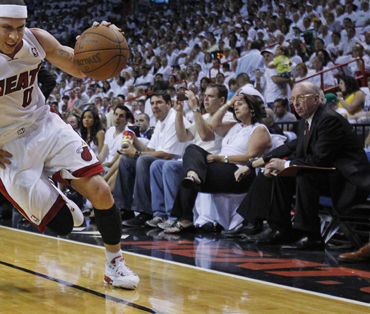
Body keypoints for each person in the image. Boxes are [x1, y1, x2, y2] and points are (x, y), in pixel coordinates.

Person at [0, 0, 139, 290]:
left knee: (100, 191)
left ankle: (114, 264)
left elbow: (81, 67)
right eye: (7, 27)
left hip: (44, 125)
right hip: (2, 147)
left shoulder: (37, 39)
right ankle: (58, 194)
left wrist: (103, 40)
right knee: (65, 225)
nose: (15, 35)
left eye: (20, 27)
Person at [227, 82, 370, 249]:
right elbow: (291, 147)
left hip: (348, 181)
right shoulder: (306, 121)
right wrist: (259, 163)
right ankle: (279, 228)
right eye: (293, 99)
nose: (295, 103)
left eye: (300, 98)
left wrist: (285, 164)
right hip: (328, 175)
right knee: (277, 174)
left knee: (304, 174)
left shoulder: (329, 120)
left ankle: (311, 235)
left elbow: (319, 160)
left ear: (316, 99)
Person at [164, 92, 272, 233]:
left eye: (240, 104)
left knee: (189, 168)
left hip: (240, 172)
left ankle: (185, 219)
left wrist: (223, 158)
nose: (236, 107)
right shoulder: (235, 126)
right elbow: (212, 126)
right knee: (192, 149)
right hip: (222, 167)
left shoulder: (259, 129)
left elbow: (251, 157)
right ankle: (193, 175)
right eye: (235, 105)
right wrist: (229, 103)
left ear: (251, 109)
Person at [147, 84, 236, 229]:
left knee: (170, 165)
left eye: (211, 96)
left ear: (221, 101)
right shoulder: (204, 116)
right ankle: (159, 213)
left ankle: (173, 216)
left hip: (211, 161)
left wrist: (195, 110)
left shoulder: (228, 117)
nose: (205, 99)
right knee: (157, 165)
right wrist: (178, 112)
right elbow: (182, 137)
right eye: (205, 96)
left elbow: (206, 136)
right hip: (194, 161)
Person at [114, 91, 191, 227]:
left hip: (178, 163)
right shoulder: (161, 122)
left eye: (159, 102)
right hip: (163, 161)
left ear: (169, 104)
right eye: (153, 103)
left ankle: (146, 212)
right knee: (126, 161)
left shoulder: (174, 120)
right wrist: (135, 140)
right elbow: (151, 150)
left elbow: (168, 155)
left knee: (142, 160)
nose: (155, 106)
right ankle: (125, 209)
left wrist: (136, 154)